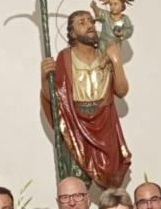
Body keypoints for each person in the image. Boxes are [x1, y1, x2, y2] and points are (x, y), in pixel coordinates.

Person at [41, 11, 131, 189]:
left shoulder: (105, 55)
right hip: (75, 123)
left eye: (91, 21)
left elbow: (121, 91)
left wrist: (116, 60)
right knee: (76, 182)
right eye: (82, 23)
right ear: (72, 33)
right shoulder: (64, 58)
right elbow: (52, 96)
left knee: (111, 183)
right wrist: (44, 77)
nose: (90, 25)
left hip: (104, 121)